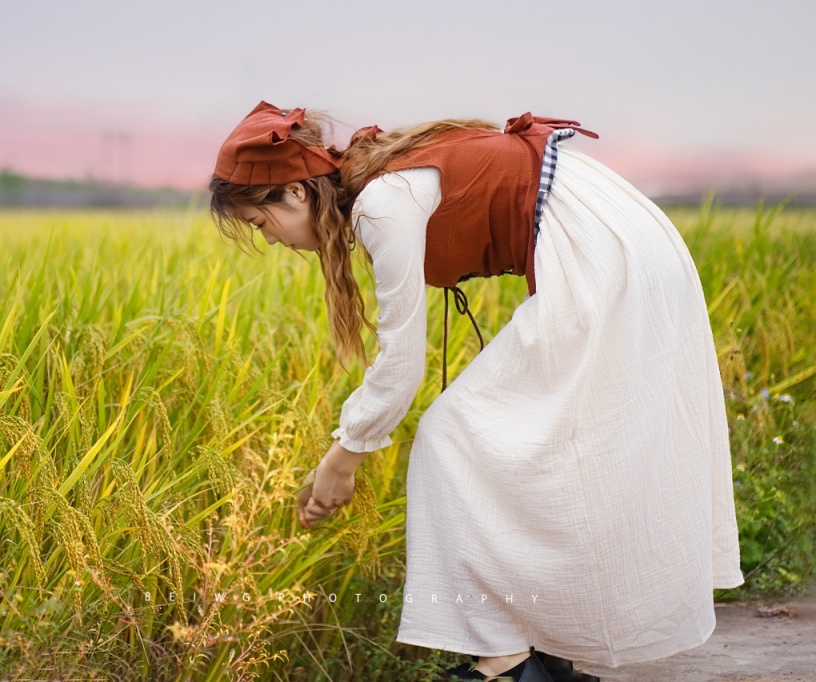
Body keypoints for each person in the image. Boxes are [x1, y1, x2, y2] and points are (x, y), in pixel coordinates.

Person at [208, 101, 745, 682]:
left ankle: (507, 664)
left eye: (260, 224)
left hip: (607, 254)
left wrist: (343, 458)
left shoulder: (382, 203)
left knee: (452, 436)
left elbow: (400, 363)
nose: (271, 240)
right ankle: (538, 650)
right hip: (623, 240)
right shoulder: (381, 183)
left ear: (294, 192)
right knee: (529, 443)